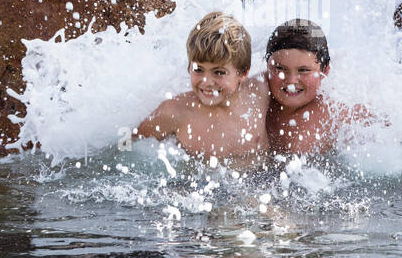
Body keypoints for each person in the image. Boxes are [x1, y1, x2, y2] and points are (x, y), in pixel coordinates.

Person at [133, 11, 269, 168]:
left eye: (219, 72)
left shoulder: (259, 92)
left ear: (243, 72)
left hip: (258, 184)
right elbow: (133, 147)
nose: (206, 82)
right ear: (189, 67)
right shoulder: (175, 112)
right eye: (198, 70)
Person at [264, 18, 368, 154]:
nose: (291, 81)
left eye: (303, 70)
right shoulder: (256, 99)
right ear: (267, 66)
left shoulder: (335, 113)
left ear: (324, 71)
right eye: (280, 68)